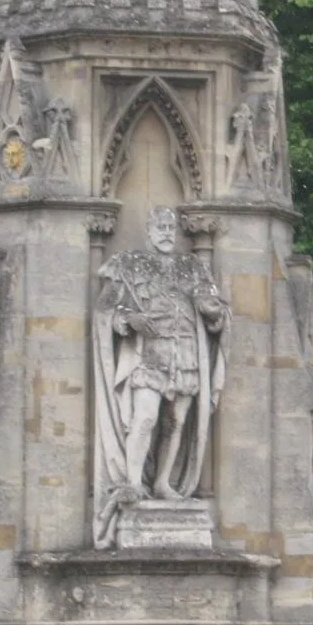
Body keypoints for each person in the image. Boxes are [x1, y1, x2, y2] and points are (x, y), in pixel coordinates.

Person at [92, 206, 230, 548]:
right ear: (150, 230)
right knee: (145, 418)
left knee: (176, 422)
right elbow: (105, 310)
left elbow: (214, 310)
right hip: (148, 355)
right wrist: (129, 319)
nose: (167, 232)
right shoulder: (130, 264)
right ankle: (133, 482)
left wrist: (214, 313)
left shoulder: (192, 267)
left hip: (185, 354)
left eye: (171, 227)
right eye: (161, 227)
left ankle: (163, 483)